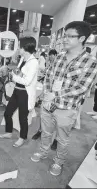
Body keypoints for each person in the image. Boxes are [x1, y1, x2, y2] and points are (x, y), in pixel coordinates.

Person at [31, 21, 97, 176]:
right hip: (48, 104)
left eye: (70, 36)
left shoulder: (90, 62)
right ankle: (43, 152)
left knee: (62, 139)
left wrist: (56, 94)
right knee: (46, 133)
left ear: (81, 38)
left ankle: (58, 162)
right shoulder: (59, 57)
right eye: (65, 36)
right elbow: (48, 76)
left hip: (67, 109)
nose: (65, 39)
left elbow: (82, 87)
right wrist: (47, 95)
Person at [0, 36, 39, 148]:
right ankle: (9, 132)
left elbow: (27, 81)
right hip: (17, 90)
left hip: (25, 94)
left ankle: (22, 138)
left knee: (22, 117)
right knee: (8, 113)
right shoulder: (23, 59)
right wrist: (15, 72)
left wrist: (12, 76)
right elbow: (20, 73)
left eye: (20, 46)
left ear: (25, 48)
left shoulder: (33, 62)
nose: (18, 49)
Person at [32, 49, 59, 151]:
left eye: (52, 55)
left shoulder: (61, 67)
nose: (51, 57)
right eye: (50, 55)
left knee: (57, 119)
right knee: (42, 116)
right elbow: (45, 82)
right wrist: (41, 95)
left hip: (57, 98)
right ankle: (40, 131)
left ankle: (56, 140)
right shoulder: (49, 66)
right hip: (47, 96)